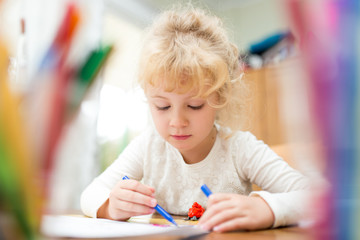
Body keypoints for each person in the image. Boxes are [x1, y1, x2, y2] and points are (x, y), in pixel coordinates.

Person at [80, 5, 310, 232]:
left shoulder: (240, 148)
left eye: (194, 105)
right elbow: (90, 194)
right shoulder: (148, 147)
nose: (177, 121)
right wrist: (111, 206)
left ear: (220, 98)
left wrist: (266, 209)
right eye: (162, 106)